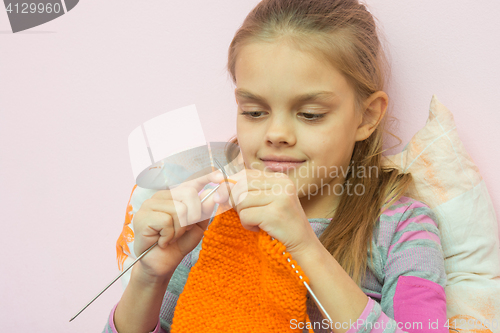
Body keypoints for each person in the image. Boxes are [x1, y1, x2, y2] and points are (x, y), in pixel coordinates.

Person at [103, 0, 448, 332]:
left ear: (367, 116)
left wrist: (304, 246)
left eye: (310, 114)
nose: (276, 134)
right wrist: (149, 277)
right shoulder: (210, 225)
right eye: (254, 112)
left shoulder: (402, 231)